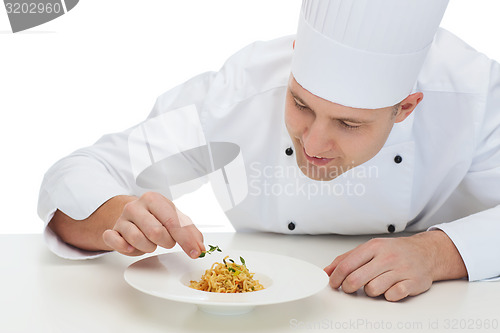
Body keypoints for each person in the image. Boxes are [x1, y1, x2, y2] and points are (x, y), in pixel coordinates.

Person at [38, 0, 500, 302]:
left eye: (349, 123)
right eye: (301, 104)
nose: (314, 144)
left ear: (405, 108)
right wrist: (118, 215)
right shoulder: (234, 95)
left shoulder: (475, 96)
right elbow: (78, 174)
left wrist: (438, 253)